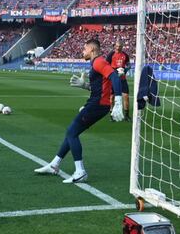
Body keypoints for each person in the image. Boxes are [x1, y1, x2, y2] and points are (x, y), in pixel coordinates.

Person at [34, 38, 123, 183]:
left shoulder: (99, 62)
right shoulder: (95, 63)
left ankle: (80, 171)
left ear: (92, 49)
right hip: (96, 103)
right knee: (72, 132)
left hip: (97, 105)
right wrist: (85, 85)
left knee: (71, 132)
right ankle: (55, 164)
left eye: (85, 48)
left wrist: (118, 101)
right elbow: (100, 87)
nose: (83, 51)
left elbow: (115, 77)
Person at [105, 40, 131, 121]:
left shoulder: (125, 55)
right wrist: (114, 71)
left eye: (120, 46)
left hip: (122, 79)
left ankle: (126, 116)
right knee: (112, 97)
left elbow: (128, 65)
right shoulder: (111, 55)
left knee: (126, 96)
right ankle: (112, 115)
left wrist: (125, 70)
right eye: (117, 46)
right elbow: (106, 65)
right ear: (114, 46)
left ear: (122, 47)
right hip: (113, 79)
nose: (118, 48)